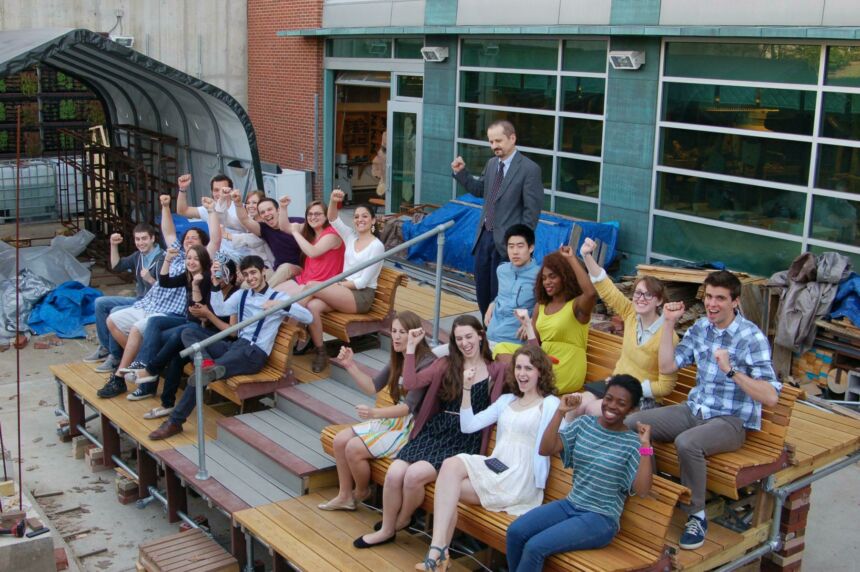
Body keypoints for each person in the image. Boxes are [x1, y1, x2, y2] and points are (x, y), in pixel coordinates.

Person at [626, 270, 780, 550]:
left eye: (720, 298)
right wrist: (669, 325)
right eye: (708, 296)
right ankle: (656, 493)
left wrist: (731, 371)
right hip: (695, 410)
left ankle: (696, 514)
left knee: (687, 443)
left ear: (735, 302)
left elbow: (770, 397)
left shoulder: (750, 337)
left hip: (730, 422)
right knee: (633, 422)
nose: (712, 304)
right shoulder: (700, 328)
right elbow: (668, 367)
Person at [353, 315, 505, 549]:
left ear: (480, 336)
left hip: (463, 439)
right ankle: (386, 529)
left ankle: (401, 520)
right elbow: (412, 383)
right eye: (459, 338)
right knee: (395, 473)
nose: (464, 343)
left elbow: (532, 370)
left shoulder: (495, 370)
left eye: (469, 337)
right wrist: (412, 347)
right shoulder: (446, 364)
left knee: (414, 476)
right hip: (435, 429)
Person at [419, 345, 560, 571]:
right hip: (495, 467)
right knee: (450, 469)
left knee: (447, 487)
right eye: (519, 368)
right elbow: (469, 425)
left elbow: (566, 432)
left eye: (529, 369)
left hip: (518, 478)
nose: (522, 374)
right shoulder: (506, 400)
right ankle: (439, 549)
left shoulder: (551, 404)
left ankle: (438, 554)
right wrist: (466, 389)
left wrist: (574, 409)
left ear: (540, 372)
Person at [148, 255, 313, 439]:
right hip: (235, 346)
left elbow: (308, 317)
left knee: (201, 376)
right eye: (246, 274)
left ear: (263, 272)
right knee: (188, 332)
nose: (250, 278)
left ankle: (175, 422)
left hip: (253, 353)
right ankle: (206, 363)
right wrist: (216, 285)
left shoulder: (278, 297)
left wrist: (282, 304)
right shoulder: (242, 295)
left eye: (253, 273)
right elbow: (221, 310)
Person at [506, 375, 653, 571]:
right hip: (570, 505)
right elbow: (545, 449)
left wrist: (645, 446)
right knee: (515, 532)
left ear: (632, 409)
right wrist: (560, 412)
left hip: (601, 518)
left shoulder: (632, 442)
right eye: (608, 398)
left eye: (621, 403)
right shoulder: (584, 424)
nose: (611, 406)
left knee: (535, 547)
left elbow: (642, 490)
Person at [97, 193, 221, 399]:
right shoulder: (177, 254)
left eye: (194, 239)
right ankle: (141, 368)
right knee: (112, 320)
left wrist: (211, 212)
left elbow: (215, 240)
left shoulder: (198, 263)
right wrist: (165, 206)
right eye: (187, 238)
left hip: (169, 313)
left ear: (201, 246)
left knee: (138, 329)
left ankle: (123, 376)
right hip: (148, 304)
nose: (188, 240)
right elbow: (168, 232)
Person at [317, 311, 435, 512]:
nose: (396, 337)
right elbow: (372, 386)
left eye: (402, 332)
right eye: (394, 331)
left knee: (354, 448)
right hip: (394, 420)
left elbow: (408, 407)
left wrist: (374, 413)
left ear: (415, 335)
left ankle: (362, 491)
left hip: (412, 428)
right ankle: (345, 495)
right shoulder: (398, 357)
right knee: (340, 440)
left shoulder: (426, 362)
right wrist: (350, 365)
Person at [451, 120, 543, 322]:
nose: (494, 146)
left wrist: (519, 245)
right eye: (491, 142)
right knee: (482, 291)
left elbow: (531, 211)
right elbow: (480, 191)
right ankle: (487, 331)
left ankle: (498, 337)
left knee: (501, 294)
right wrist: (461, 173)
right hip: (484, 237)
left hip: (507, 245)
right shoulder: (492, 164)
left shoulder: (529, 169)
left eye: (498, 140)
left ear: (512, 138)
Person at [576, 237, 678, 414]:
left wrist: (630, 387)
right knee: (575, 404)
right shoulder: (631, 314)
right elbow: (607, 288)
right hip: (615, 384)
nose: (641, 299)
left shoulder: (668, 335)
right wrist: (586, 255)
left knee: (594, 410)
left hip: (643, 398)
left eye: (648, 295)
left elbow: (665, 386)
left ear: (660, 300)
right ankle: (563, 442)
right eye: (638, 293)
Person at [135, 259, 241, 421]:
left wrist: (208, 315)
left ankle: (152, 369)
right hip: (207, 335)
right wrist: (199, 302)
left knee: (183, 332)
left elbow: (233, 333)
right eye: (214, 273)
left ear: (232, 276)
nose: (216, 278)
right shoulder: (214, 289)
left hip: (223, 343)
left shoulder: (236, 294)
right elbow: (202, 310)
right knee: (177, 356)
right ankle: (167, 403)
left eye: (221, 274)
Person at [301, 188, 384, 373]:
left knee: (312, 285)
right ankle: (321, 351)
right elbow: (332, 219)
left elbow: (362, 283)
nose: (359, 220)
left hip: (360, 296)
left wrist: (336, 284)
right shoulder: (350, 237)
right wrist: (332, 200)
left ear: (373, 220)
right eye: (356, 217)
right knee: (314, 307)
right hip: (343, 291)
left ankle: (291, 322)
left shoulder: (377, 247)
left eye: (364, 216)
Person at [276, 198, 346, 372]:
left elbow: (313, 252)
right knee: (273, 297)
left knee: (291, 307)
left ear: (326, 216)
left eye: (318, 214)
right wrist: (283, 208)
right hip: (305, 281)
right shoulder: (308, 231)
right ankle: (284, 341)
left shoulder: (331, 234)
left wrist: (296, 233)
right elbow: (284, 227)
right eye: (310, 214)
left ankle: (284, 346)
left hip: (323, 286)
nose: (313, 217)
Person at [515, 245, 596, 394]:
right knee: (501, 353)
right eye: (544, 278)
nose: (547, 282)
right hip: (542, 363)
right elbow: (534, 346)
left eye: (553, 276)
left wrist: (571, 258)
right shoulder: (540, 306)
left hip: (567, 365)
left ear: (566, 276)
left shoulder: (577, 306)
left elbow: (590, 293)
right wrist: (527, 325)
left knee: (514, 381)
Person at [85, 223, 164, 370]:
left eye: (144, 239)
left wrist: (150, 280)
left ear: (153, 239)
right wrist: (113, 245)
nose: (141, 243)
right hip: (139, 300)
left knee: (116, 312)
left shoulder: (162, 259)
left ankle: (116, 356)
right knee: (100, 302)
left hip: (152, 305)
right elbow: (117, 266)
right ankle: (105, 348)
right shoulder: (138, 256)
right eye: (137, 239)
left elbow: (167, 291)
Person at [485, 224, 540, 355]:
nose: (515, 252)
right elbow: (504, 295)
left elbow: (547, 305)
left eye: (520, 246)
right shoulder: (502, 270)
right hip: (490, 335)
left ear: (531, 247)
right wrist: (492, 304)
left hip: (513, 343)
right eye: (511, 246)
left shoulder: (540, 276)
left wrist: (532, 321)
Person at [231, 190, 303, 286]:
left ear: (278, 210)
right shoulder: (265, 228)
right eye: (263, 212)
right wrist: (238, 203)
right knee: (245, 285)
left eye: (269, 210)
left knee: (285, 268)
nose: (266, 214)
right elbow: (245, 220)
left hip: (298, 267)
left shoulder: (297, 221)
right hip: (277, 269)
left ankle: (264, 293)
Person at [221, 190, 275, 271]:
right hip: (253, 265)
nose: (250, 206)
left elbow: (254, 239)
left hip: (269, 267)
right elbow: (227, 220)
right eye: (248, 203)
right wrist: (221, 200)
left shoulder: (268, 222)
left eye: (254, 202)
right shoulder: (250, 219)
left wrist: (227, 235)